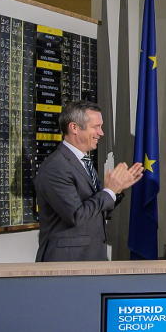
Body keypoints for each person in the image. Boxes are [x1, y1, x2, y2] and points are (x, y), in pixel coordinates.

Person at [34, 101, 143, 262]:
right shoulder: (56, 167)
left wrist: (117, 191)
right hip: (67, 263)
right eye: (96, 127)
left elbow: (95, 211)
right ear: (74, 128)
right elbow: (77, 216)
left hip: (90, 258)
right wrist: (109, 191)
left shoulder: (82, 162)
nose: (101, 133)